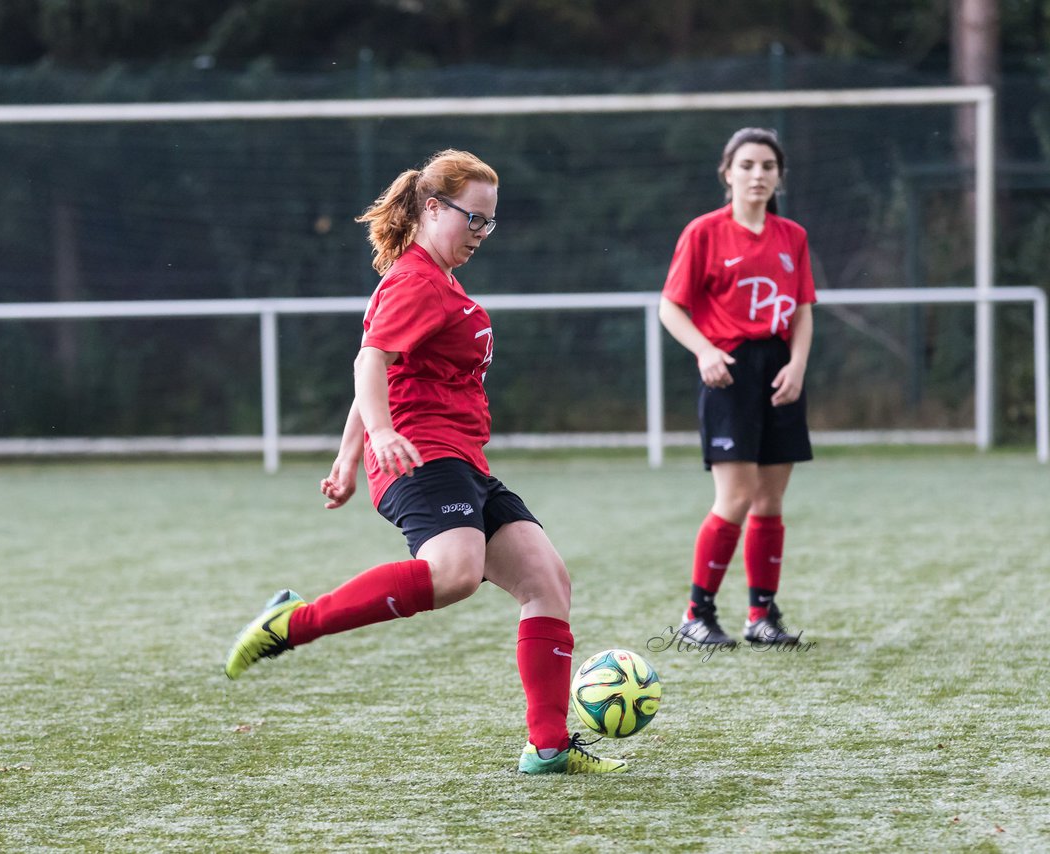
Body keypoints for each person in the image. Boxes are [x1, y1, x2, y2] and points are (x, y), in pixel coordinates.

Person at [224, 149, 625, 775]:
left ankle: (547, 747)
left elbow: (390, 369)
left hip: (460, 458)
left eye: (490, 222)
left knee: (548, 582)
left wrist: (348, 459)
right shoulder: (415, 279)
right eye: (473, 219)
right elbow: (369, 363)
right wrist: (379, 436)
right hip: (422, 454)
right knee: (454, 572)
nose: (481, 233)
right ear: (432, 208)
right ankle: (292, 623)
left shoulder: (441, 281)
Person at [659, 127, 816, 647]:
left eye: (768, 166)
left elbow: (803, 310)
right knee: (737, 497)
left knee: (770, 501)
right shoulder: (704, 232)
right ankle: (696, 613)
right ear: (727, 173)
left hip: (779, 368)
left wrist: (796, 365)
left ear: (779, 177)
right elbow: (670, 306)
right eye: (747, 165)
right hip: (729, 369)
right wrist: (704, 350)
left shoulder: (792, 235)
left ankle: (761, 616)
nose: (758, 175)